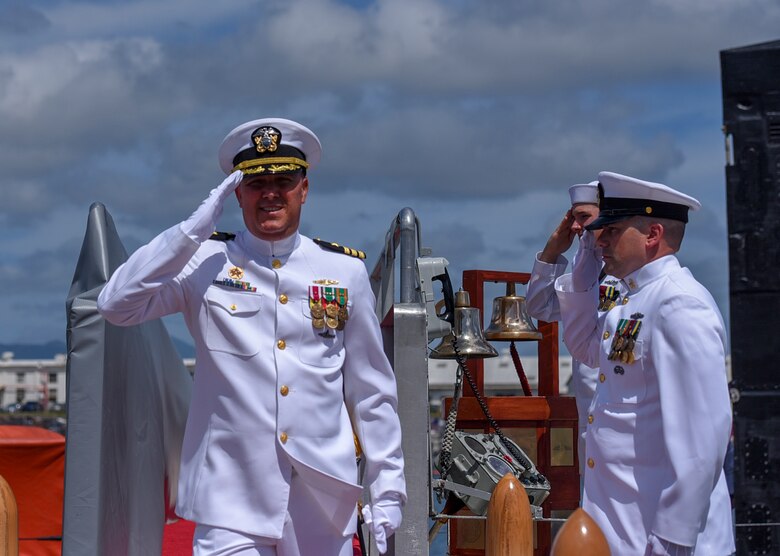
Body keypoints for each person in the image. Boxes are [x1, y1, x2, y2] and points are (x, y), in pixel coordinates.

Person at [97, 118, 406, 556]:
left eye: (284, 180)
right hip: (230, 494)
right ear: (237, 193)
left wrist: (388, 487)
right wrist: (188, 232)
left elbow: (372, 392)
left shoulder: (344, 271)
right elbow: (116, 305)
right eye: (257, 182)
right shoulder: (204, 261)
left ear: (304, 188)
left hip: (321, 495)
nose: (271, 193)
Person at [554, 171, 735, 555]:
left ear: (652, 235)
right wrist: (585, 257)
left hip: (663, 537)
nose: (599, 239)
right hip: (625, 529)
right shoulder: (631, 301)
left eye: (611, 231)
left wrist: (672, 540)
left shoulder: (678, 304)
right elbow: (584, 345)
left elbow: (702, 440)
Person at [525, 181, 623, 478]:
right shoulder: (587, 276)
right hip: (591, 427)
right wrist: (552, 251)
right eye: (574, 218)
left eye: (584, 217)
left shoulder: (631, 278)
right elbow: (539, 305)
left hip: (623, 429)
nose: (577, 227)